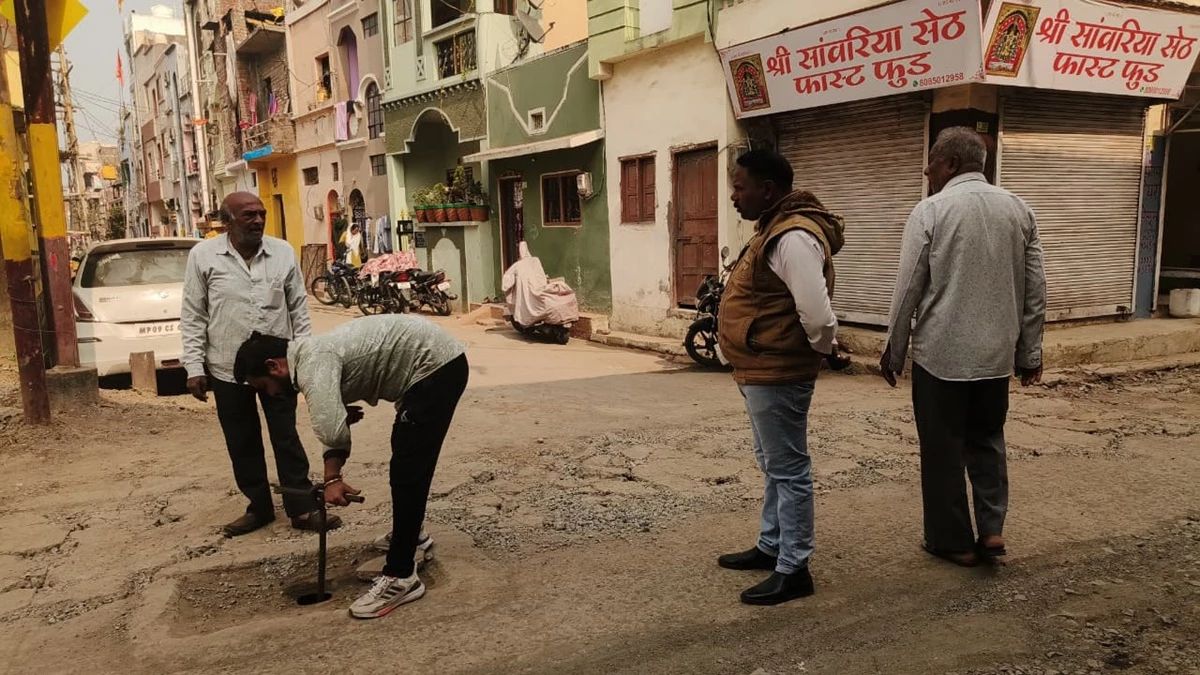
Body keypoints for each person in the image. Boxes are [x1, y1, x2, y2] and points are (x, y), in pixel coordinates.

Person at [880, 127, 1046, 567]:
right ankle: (991, 530)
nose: (926, 170)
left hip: (942, 357)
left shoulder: (931, 211)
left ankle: (952, 541)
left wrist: (894, 351)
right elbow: (1035, 290)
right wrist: (1029, 354)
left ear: (951, 164)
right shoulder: (1019, 210)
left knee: (942, 449)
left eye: (932, 160)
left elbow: (908, 288)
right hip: (995, 358)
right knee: (988, 439)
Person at [233, 314, 468, 620]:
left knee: (409, 470)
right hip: (435, 364)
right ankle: (411, 536)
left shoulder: (312, 364)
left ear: (273, 366)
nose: (271, 394)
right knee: (408, 463)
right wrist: (338, 417)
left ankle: (401, 576)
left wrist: (332, 478)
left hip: (436, 367)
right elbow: (332, 416)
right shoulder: (310, 355)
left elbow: (331, 431)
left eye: (264, 386)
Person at [716, 149, 844, 606]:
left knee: (788, 470)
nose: (734, 197)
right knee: (773, 464)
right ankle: (772, 546)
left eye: (740, 187)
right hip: (762, 369)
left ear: (767, 190)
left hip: (778, 371)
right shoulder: (774, 229)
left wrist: (817, 352)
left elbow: (818, 316)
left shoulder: (792, 237)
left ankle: (794, 568)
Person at [181, 192, 335, 537]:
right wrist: (194, 367)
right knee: (242, 442)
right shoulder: (203, 256)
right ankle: (259, 507)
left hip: (276, 369)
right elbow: (193, 314)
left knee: (286, 437)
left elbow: (298, 309)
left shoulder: (282, 252)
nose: (258, 220)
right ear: (227, 221)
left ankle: (301, 506)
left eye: (261, 214)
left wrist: (304, 358)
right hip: (225, 368)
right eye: (248, 215)